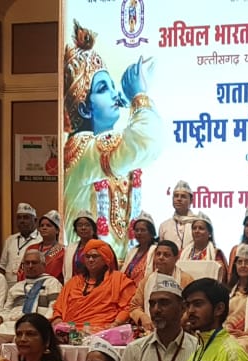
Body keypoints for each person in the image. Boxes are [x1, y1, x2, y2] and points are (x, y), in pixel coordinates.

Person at [62, 20, 159, 262]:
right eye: (104, 88)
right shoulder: (84, 148)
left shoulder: (99, 148)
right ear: (85, 109)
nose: (115, 95)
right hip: (92, 267)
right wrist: (139, 96)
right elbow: (147, 141)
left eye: (113, 87)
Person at [51, 239, 136, 332]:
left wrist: (116, 324)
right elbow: (58, 307)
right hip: (71, 332)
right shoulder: (74, 282)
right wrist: (58, 322)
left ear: (105, 259)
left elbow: (128, 307)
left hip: (104, 331)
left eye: (95, 256)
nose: (90, 260)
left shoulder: (119, 279)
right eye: (87, 256)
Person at [0, 249, 64, 347]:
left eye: (34, 263)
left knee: (20, 340)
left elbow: (54, 308)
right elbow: (7, 310)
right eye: (27, 263)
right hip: (11, 325)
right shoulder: (16, 287)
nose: (30, 266)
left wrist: (41, 324)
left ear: (43, 265)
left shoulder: (52, 283)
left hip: (36, 326)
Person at [129, 240, 194, 331]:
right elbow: (134, 306)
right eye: (158, 254)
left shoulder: (186, 279)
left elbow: (192, 307)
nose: (161, 258)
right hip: (150, 329)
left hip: (179, 329)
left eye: (166, 255)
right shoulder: (147, 280)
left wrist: (180, 321)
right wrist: (143, 317)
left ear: (176, 258)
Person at [179, 213, 228, 283]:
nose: (197, 231)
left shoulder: (216, 254)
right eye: (194, 228)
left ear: (210, 233)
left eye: (201, 228)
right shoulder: (182, 253)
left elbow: (221, 279)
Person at [0, 203, 41, 284]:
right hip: (8, 285)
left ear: (35, 220)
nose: (22, 221)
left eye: (26, 218)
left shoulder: (41, 240)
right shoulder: (10, 240)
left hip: (30, 285)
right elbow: (2, 266)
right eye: (19, 218)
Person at [122, 211, 158, 291]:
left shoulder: (156, 250)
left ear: (151, 233)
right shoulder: (132, 251)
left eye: (143, 230)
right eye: (136, 230)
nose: (139, 233)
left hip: (144, 291)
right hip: (125, 289)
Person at [62, 213, 99, 283]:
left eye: (87, 225)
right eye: (79, 225)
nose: (83, 228)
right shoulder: (70, 248)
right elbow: (65, 271)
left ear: (93, 228)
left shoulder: (101, 246)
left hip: (95, 285)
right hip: (73, 285)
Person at [159, 180, 196, 250]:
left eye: (183, 196)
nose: (179, 199)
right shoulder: (164, 225)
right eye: (176, 196)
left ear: (191, 200)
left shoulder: (197, 224)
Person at [34, 210, 68, 282]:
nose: (44, 228)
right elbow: (22, 272)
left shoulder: (64, 251)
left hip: (53, 286)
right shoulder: (31, 248)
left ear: (57, 230)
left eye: (48, 225)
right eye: (42, 225)